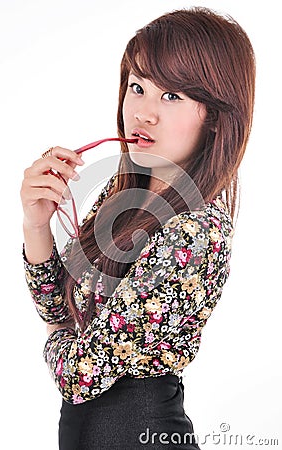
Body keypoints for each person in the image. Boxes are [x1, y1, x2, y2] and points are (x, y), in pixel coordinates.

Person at [20, 6, 255, 450]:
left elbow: (77, 375)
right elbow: (57, 308)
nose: (143, 112)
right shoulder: (126, 190)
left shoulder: (196, 231)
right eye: (137, 87)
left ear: (217, 116)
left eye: (171, 96)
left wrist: (56, 339)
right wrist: (36, 224)